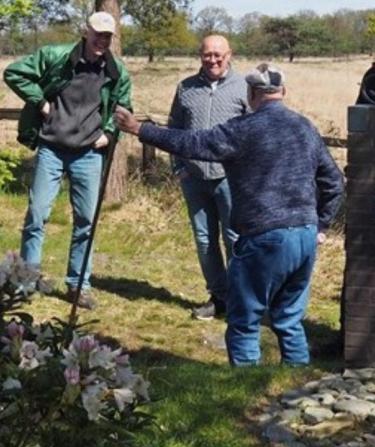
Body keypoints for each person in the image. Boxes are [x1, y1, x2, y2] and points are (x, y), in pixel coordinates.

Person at [114, 63, 344, 366]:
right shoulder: (305, 127)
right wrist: (321, 223)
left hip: (264, 236)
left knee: (245, 318)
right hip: (304, 234)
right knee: (289, 318)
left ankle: (244, 390)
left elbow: (192, 142)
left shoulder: (243, 130)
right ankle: (295, 392)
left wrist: (139, 129)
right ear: (283, 92)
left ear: (251, 94)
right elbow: (334, 182)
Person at [4, 11, 132, 309]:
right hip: (51, 148)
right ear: (85, 32)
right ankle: (27, 281)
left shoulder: (116, 71)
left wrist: (109, 134)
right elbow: (14, 72)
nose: (102, 40)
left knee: (86, 221)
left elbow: (124, 106)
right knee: (36, 215)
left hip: (88, 153)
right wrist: (41, 102)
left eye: (107, 36)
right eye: (97, 33)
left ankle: (78, 285)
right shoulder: (56, 56)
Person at [168, 35, 248, 320]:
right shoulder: (186, 88)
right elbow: (174, 129)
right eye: (207, 55)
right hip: (195, 178)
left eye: (218, 55)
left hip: (231, 180)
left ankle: (241, 299)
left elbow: (256, 132)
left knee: (235, 238)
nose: (212, 60)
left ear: (229, 55)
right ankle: (219, 297)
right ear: (199, 56)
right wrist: (179, 167)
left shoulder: (244, 88)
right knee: (204, 240)